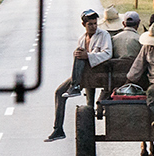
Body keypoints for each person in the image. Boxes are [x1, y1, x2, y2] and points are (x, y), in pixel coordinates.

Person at [44, 9, 112, 142]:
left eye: (95, 23)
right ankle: (58, 129)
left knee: (81, 55)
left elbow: (107, 54)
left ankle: (75, 86)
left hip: (98, 72)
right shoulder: (82, 39)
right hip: (85, 75)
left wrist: (89, 56)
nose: (93, 26)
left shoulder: (104, 35)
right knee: (59, 92)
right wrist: (82, 54)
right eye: (90, 24)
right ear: (83, 24)